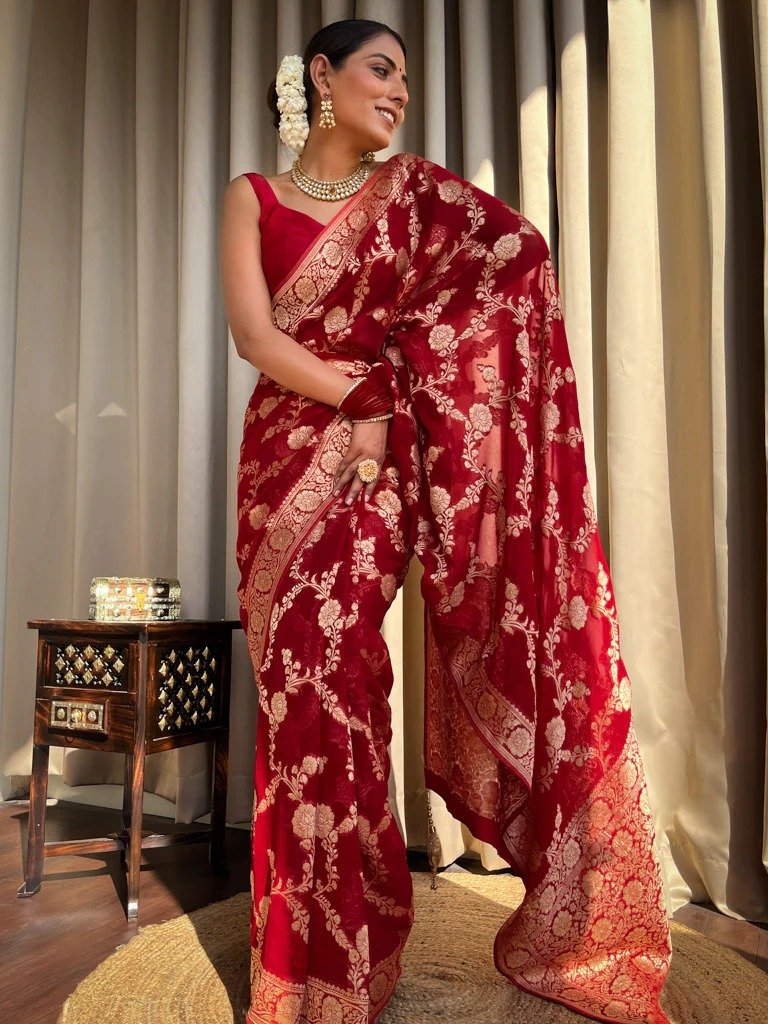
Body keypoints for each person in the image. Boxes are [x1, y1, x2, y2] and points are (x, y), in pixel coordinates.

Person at [219, 17, 673, 1024]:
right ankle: (298, 964)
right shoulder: (252, 196)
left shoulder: (414, 196)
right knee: (295, 703)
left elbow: (515, 255)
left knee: (346, 693)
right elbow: (253, 333)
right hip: (282, 467)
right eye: (380, 70)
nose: (398, 90)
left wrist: (402, 389)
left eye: (406, 78)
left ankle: (357, 952)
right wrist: (362, 396)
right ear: (322, 75)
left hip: (368, 479)